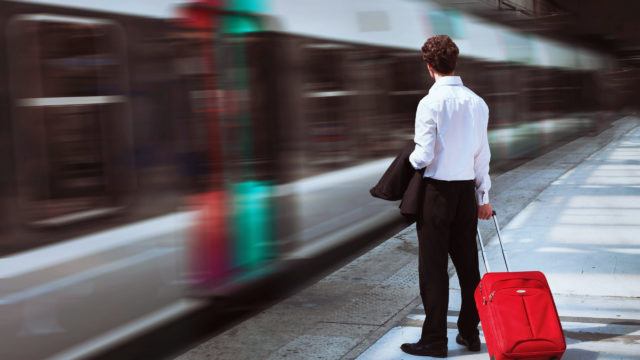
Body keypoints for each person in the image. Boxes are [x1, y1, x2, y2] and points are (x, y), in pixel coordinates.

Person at [400, 34, 493, 358]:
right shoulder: (477, 103)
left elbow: (423, 156)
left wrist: (406, 161)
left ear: (429, 67)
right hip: (466, 193)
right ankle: (470, 333)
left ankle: (435, 340)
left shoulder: (430, 103)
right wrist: (483, 199)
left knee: (434, 269)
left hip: (436, 195)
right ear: (455, 63)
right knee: (469, 268)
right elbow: (482, 156)